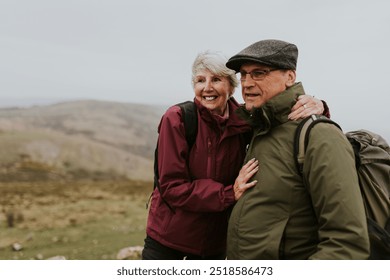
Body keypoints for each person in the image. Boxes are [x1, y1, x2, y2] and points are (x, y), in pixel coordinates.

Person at [142, 50, 326, 260]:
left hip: (215, 245)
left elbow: (284, 118)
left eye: (216, 80)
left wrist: (318, 106)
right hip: (169, 241)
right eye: (200, 80)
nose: (207, 88)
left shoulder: (245, 120)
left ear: (231, 87)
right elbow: (171, 187)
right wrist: (229, 193)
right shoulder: (177, 119)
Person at [226, 39, 370, 259]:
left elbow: (347, 242)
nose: (246, 83)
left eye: (259, 73)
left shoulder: (320, 136)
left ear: (290, 77)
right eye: (243, 75)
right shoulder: (257, 127)